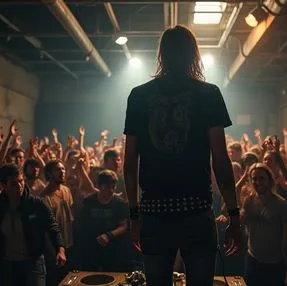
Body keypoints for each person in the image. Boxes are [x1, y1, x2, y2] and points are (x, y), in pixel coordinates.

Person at [123, 25, 240, 286]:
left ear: (161, 54)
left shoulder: (139, 96)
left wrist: (134, 216)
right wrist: (234, 215)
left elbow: (130, 164)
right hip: (196, 212)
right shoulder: (208, 94)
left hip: (154, 214)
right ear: (193, 54)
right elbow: (220, 161)